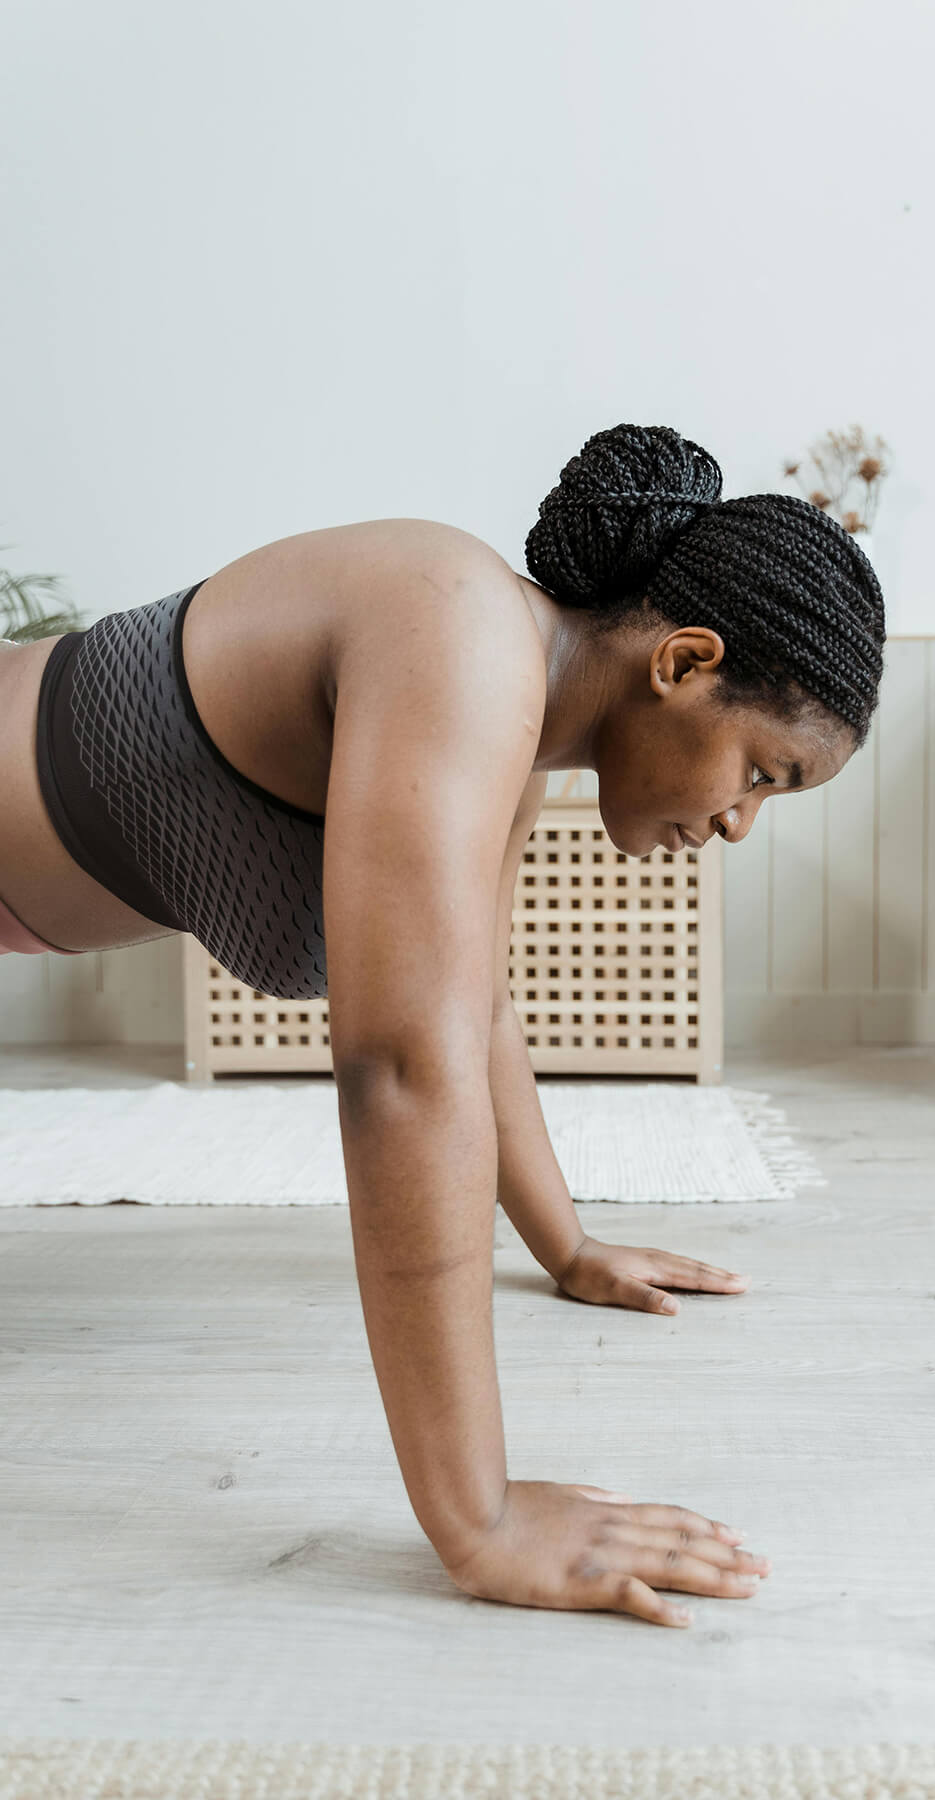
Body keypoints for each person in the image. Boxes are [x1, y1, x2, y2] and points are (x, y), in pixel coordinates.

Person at [0, 421, 885, 1627]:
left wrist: (566, 1248)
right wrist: (479, 1518)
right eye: (764, 774)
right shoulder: (459, 630)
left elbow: (470, 1012)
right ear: (684, 662)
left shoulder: (508, 714)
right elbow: (402, 1074)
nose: (739, 822)